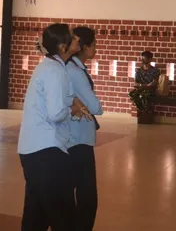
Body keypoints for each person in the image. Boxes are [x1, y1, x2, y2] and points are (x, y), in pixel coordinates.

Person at [18, 23, 92, 231]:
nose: (77, 39)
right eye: (72, 37)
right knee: (64, 216)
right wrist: (73, 110)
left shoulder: (51, 67)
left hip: (35, 150)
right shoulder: (54, 71)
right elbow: (56, 113)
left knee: (36, 215)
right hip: (47, 153)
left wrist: (71, 102)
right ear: (61, 46)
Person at [67, 26, 103, 231]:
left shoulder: (75, 67)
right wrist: (91, 105)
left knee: (78, 190)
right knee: (87, 194)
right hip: (78, 139)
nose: (95, 49)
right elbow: (96, 107)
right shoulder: (74, 71)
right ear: (84, 47)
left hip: (77, 136)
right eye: (94, 45)